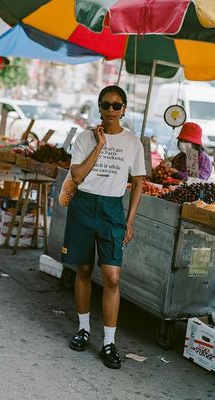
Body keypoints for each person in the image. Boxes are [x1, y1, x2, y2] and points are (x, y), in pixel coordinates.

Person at [61, 85, 146, 369]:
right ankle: (83, 329)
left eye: (116, 105)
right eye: (106, 104)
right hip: (84, 206)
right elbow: (77, 175)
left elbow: (138, 183)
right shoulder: (86, 138)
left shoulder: (134, 143)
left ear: (124, 109)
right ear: (98, 107)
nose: (111, 110)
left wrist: (130, 219)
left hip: (112, 211)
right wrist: (99, 145)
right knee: (83, 269)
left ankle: (109, 342)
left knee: (112, 277)